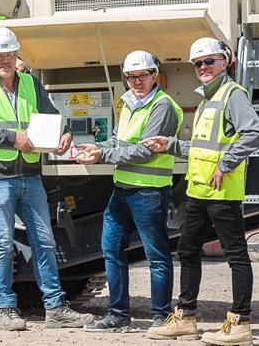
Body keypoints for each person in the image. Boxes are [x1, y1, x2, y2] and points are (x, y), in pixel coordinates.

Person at [0, 27, 94, 331]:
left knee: (45, 242)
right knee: (3, 244)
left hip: (31, 176)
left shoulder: (31, 84)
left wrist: (64, 134)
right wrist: (12, 138)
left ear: (16, 54)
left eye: (10, 54)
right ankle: (6, 308)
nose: (5, 60)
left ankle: (56, 308)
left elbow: (51, 115)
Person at [143, 37, 259, 346]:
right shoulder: (208, 99)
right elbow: (201, 147)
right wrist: (169, 145)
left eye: (209, 61)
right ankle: (185, 318)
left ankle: (241, 322)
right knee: (186, 250)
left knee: (236, 255)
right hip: (199, 191)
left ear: (225, 62)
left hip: (222, 191)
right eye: (197, 63)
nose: (203, 68)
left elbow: (255, 133)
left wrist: (226, 164)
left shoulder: (231, 95)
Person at [75, 50, 181, 333]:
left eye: (142, 76)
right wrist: (99, 148)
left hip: (149, 191)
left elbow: (145, 150)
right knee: (111, 250)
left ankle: (161, 316)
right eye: (131, 77)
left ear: (154, 76)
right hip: (122, 189)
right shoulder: (129, 103)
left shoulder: (163, 106)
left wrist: (102, 157)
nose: (136, 81)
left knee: (156, 256)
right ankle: (117, 315)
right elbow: (119, 140)